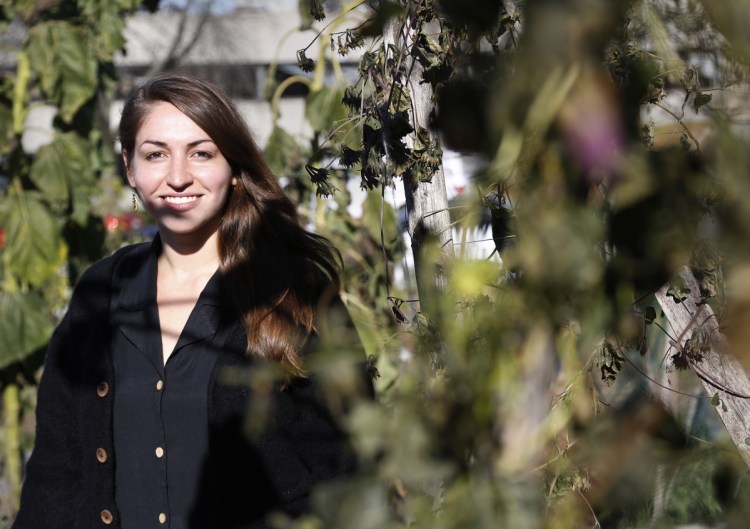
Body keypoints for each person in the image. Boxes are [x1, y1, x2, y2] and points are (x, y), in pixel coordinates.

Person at [13, 73, 368, 529]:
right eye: (155, 154)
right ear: (130, 168)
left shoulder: (290, 290)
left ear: (234, 169)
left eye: (201, 153)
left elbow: (348, 463)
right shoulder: (100, 293)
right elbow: (57, 471)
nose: (178, 177)